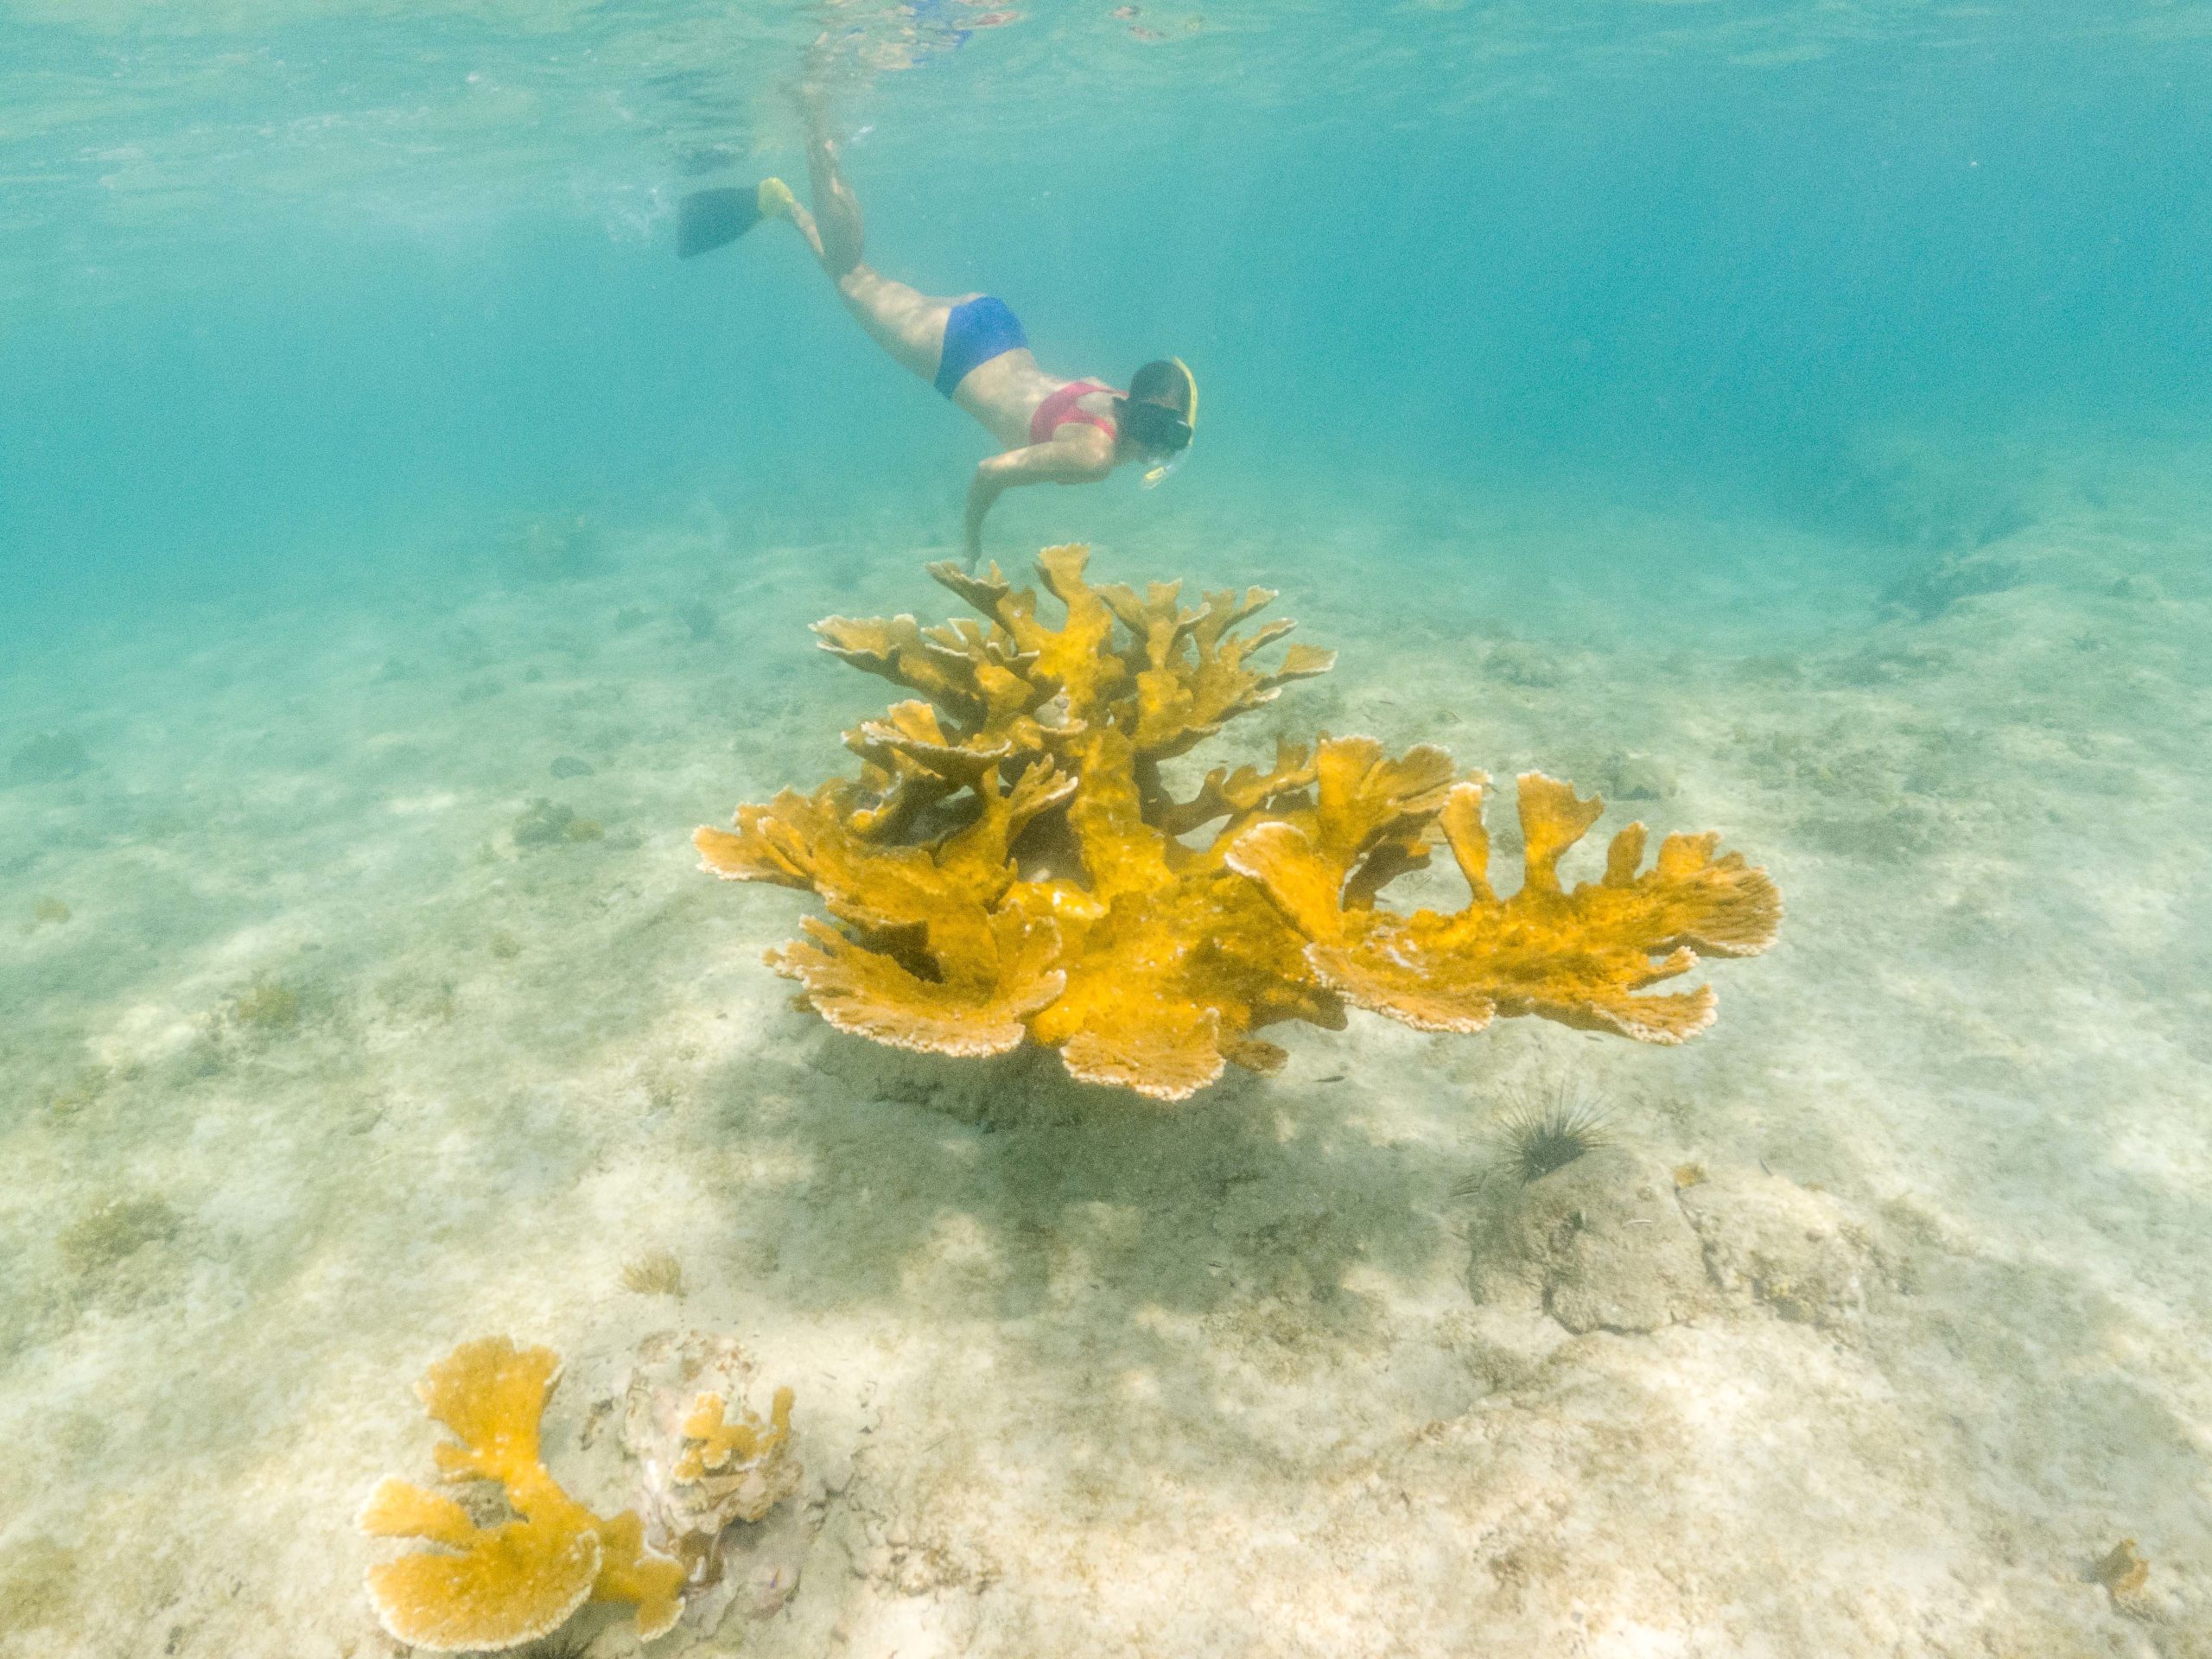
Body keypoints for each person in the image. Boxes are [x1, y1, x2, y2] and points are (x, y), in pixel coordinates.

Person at [680, 111, 1197, 568]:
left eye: (1169, 433)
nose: (1158, 445)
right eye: (1166, 433)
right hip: (957, 355)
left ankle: (783, 204)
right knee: (850, 272)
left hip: (995, 327)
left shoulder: (1115, 398)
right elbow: (989, 471)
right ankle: (817, 135)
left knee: (862, 276)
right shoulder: (1094, 458)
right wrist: (973, 539)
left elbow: (1145, 401)